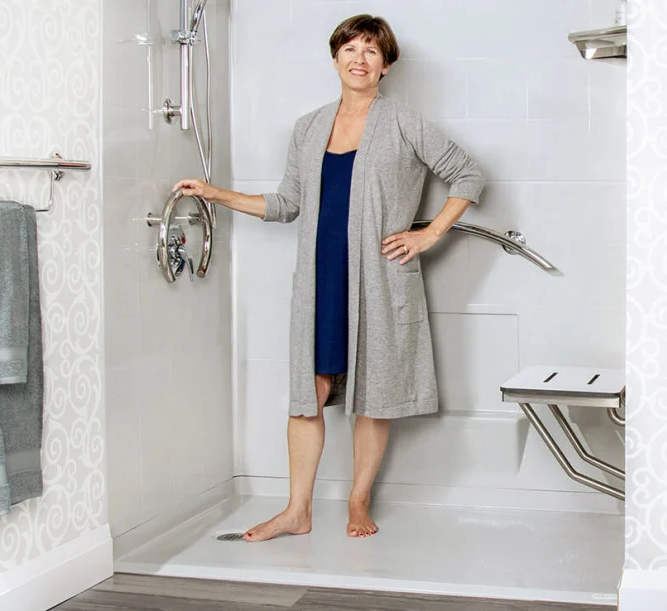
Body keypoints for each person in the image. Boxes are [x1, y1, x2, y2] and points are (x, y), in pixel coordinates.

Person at [173, 14, 485, 541]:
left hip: (378, 280)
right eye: (351, 49)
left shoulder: (403, 123)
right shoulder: (309, 127)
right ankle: (297, 510)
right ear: (335, 57)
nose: (359, 59)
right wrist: (215, 194)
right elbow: (287, 203)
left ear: (386, 66)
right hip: (321, 281)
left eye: (371, 51)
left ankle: (359, 500)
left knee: (374, 393)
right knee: (309, 392)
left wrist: (429, 234)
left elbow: (469, 174)